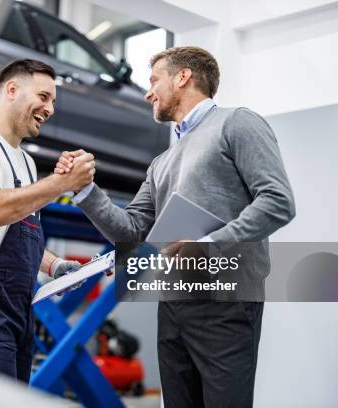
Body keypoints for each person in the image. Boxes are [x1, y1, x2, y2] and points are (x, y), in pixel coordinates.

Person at [55, 46, 296, 407]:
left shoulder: (237, 123)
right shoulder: (161, 163)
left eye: (154, 80)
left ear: (183, 77)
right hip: (173, 303)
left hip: (226, 303)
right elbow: (130, 231)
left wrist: (210, 244)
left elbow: (278, 201)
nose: (148, 92)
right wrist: (85, 190)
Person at [0, 59, 95, 382]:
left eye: (52, 100)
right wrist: (62, 183)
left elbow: (17, 232)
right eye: (43, 96)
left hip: (18, 307)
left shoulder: (25, 162)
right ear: (11, 90)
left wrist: (55, 266)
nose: (50, 108)